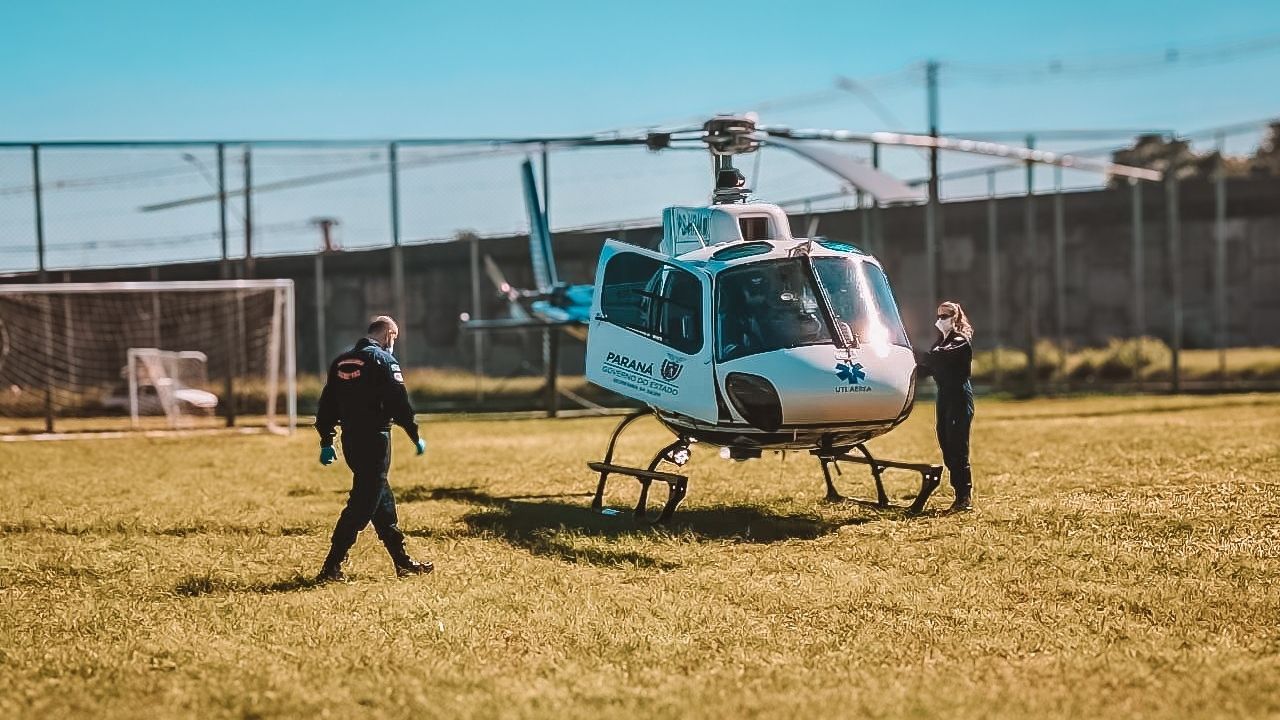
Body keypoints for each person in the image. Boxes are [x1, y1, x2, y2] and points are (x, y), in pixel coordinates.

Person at [314, 315, 432, 582]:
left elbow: (328, 403)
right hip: (376, 440)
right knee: (362, 504)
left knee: (382, 501)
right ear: (389, 335)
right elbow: (398, 402)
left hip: (352, 440)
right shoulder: (384, 361)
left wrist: (326, 440)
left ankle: (402, 563)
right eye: (395, 339)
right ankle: (331, 566)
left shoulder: (341, 361)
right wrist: (414, 434)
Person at [916, 301, 975, 512]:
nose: (941, 320)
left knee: (958, 445)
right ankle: (958, 492)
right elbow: (927, 367)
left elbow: (939, 357)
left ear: (955, 317)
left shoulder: (959, 341)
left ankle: (963, 496)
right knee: (945, 441)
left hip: (958, 395)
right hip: (943, 396)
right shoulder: (940, 342)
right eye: (939, 315)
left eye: (945, 316)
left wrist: (915, 352)